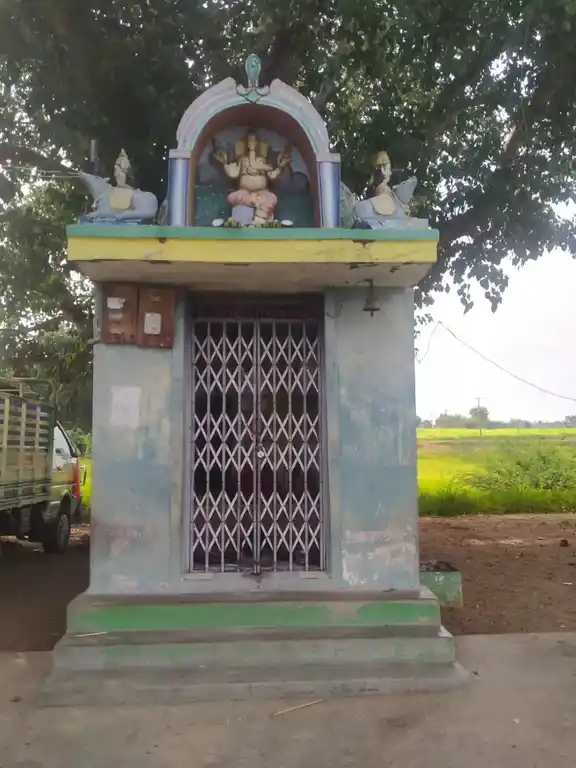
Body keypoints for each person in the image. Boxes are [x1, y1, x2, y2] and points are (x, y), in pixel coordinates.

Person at [212, 130, 291, 225]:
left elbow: (272, 175)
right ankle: (243, 220)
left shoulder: (262, 161)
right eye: (249, 141)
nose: (251, 144)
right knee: (232, 197)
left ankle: (260, 219)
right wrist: (224, 162)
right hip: (245, 193)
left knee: (271, 199)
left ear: (258, 143)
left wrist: (280, 166)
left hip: (262, 193)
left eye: (253, 141)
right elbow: (233, 174)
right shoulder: (242, 159)